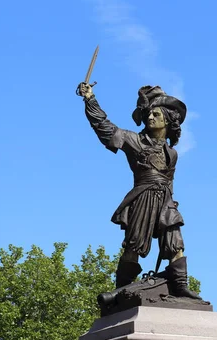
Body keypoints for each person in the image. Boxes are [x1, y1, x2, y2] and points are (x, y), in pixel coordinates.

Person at [77, 82, 200, 299]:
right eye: (149, 114)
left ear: (168, 120)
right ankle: (120, 291)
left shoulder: (172, 153)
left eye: (156, 114)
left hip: (165, 199)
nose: (150, 117)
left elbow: (169, 181)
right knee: (134, 247)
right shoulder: (134, 140)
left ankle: (181, 286)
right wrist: (90, 99)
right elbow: (104, 127)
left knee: (175, 243)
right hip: (142, 197)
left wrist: (170, 203)